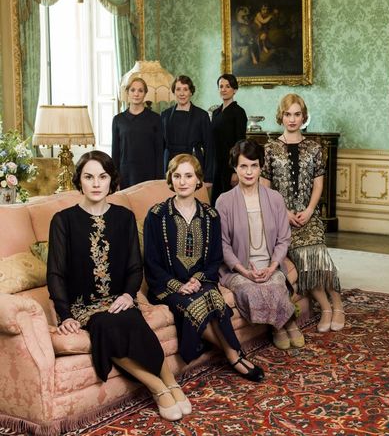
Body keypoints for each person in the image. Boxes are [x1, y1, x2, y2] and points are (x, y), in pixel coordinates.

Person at [47, 151, 189, 421]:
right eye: (89, 177)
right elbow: (55, 273)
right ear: (79, 181)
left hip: (118, 299)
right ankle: (156, 386)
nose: (96, 183)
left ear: (111, 180)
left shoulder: (124, 217)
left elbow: (135, 267)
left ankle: (170, 381)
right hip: (83, 306)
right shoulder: (63, 220)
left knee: (133, 320)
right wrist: (65, 315)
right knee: (106, 326)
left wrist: (127, 294)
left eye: (102, 177)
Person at [143, 154, 264, 382]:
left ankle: (232, 354)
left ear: (198, 179)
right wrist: (178, 286)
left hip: (202, 281)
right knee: (195, 305)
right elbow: (151, 262)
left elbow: (215, 259)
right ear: (170, 179)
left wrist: (198, 280)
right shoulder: (157, 215)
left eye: (189, 176)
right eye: (177, 176)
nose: (182, 182)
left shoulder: (210, 215)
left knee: (214, 300)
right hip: (167, 287)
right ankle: (234, 355)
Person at [262, 94, 345, 333]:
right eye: (288, 114)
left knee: (318, 254)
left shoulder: (314, 148)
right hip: (282, 219)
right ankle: (326, 308)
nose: (292, 119)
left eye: (297, 114)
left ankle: (338, 305)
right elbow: (266, 188)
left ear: (303, 117)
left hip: (309, 216)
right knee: (304, 257)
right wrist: (284, 212)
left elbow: (318, 184)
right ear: (281, 116)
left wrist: (309, 211)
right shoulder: (270, 149)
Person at [216, 139, 304, 350]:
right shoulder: (224, 201)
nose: (249, 172)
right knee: (251, 291)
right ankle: (281, 326)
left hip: (270, 264)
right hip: (238, 269)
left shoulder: (275, 198)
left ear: (261, 167)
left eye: (254, 165)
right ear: (235, 168)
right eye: (243, 166)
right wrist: (245, 272)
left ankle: (287, 322)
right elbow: (223, 245)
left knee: (275, 284)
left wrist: (272, 267)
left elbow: (283, 239)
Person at [112, 77, 164, 189]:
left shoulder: (155, 119)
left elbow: (159, 152)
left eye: (140, 90)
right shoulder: (118, 119)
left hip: (149, 174)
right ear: (127, 92)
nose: (136, 94)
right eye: (133, 90)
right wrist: (115, 179)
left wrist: (159, 180)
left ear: (145, 94)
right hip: (125, 174)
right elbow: (115, 153)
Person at [161, 75, 213, 184]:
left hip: (194, 164)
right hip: (171, 166)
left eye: (185, 89)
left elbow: (209, 148)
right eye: (178, 89)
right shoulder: (165, 115)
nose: (182, 93)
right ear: (174, 92)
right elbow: (161, 147)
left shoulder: (202, 115)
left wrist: (208, 177)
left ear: (191, 92)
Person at [210, 74, 248, 204]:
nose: (224, 89)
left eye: (228, 86)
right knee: (216, 203)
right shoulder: (215, 113)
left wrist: (236, 171)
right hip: (216, 166)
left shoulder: (239, 112)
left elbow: (240, 144)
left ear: (235, 90)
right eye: (221, 86)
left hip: (230, 166)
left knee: (230, 204)